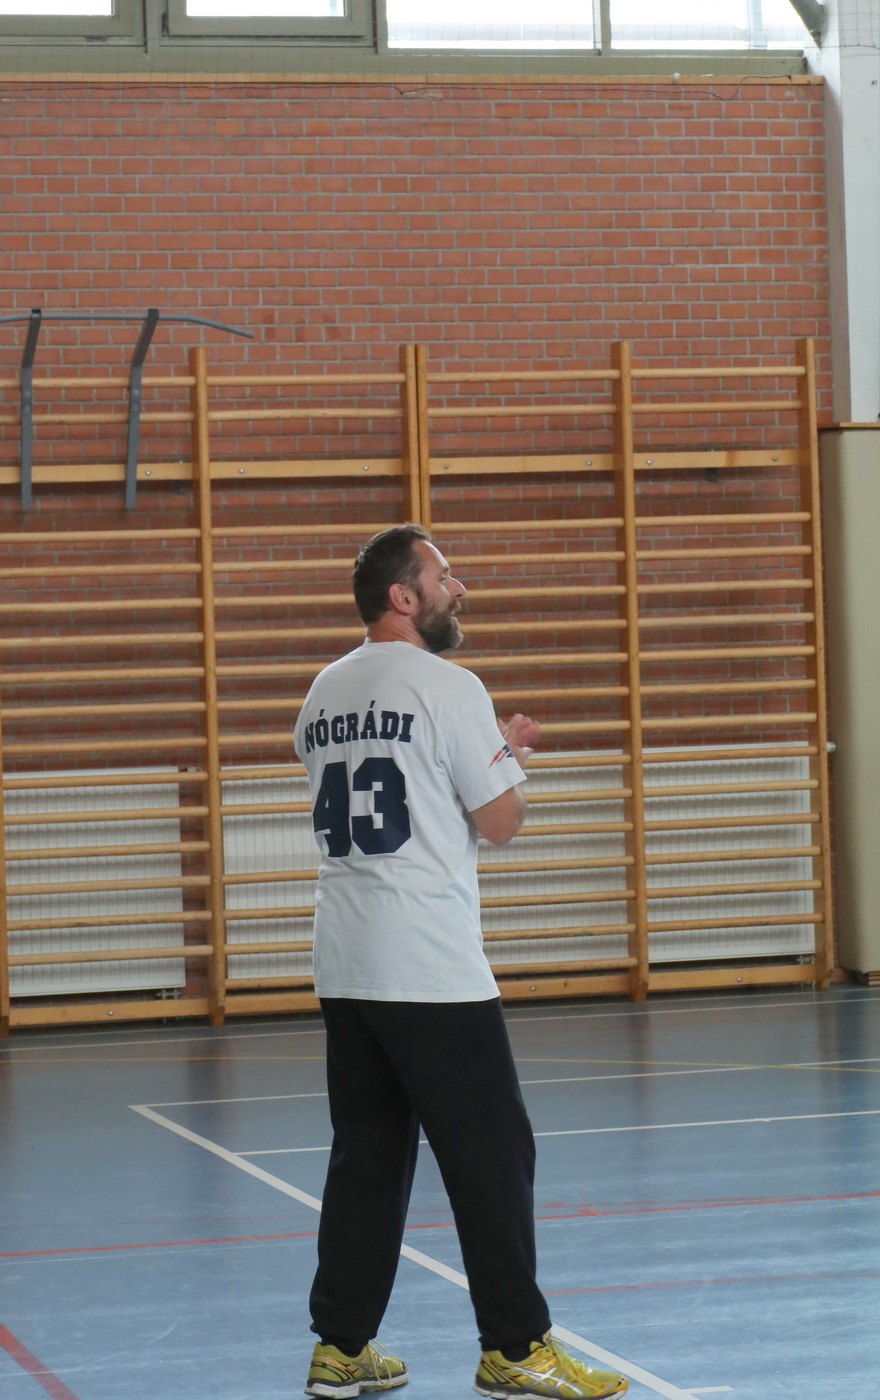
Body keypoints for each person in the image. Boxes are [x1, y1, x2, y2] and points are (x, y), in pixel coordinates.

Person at [293, 524, 628, 1400]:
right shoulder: (449, 687)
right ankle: (516, 1348)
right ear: (403, 597)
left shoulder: (324, 691)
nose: (458, 588)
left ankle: (340, 1347)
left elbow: (401, 781)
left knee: (368, 1155)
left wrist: (490, 748)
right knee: (492, 1155)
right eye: (443, 577)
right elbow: (499, 821)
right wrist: (505, 756)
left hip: (345, 957)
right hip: (427, 959)